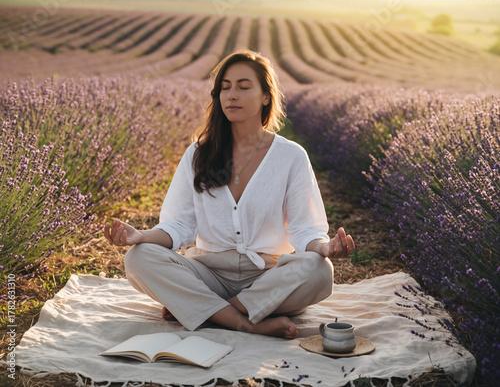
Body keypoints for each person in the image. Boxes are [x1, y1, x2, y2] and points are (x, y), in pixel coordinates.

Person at [104, 49, 355, 340]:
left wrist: (324, 248)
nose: (231, 95)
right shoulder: (199, 154)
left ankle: (207, 311)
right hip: (209, 275)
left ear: (265, 96)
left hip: (268, 278)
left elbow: (305, 229)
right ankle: (245, 322)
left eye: (243, 87)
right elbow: (179, 225)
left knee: (319, 271)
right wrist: (142, 237)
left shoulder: (291, 156)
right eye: (225, 88)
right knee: (139, 258)